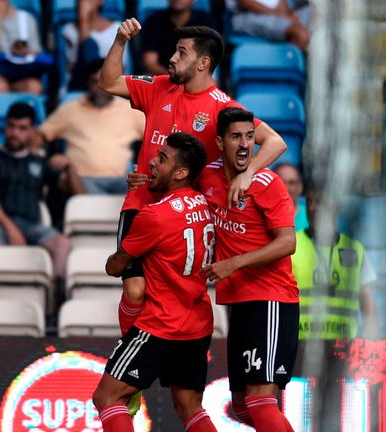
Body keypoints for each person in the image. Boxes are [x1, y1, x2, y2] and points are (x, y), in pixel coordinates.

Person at [98, 22, 286, 338]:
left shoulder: (223, 108)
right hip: (141, 202)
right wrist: (120, 40)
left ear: (203, 63)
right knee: (134, 291)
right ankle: (126, 358)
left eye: (181, 53)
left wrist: (247, 174)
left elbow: (275, 142)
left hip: (185, 218)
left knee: (176, 299)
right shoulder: (158, 87)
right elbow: (107, 83)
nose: (171, 58)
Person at [92, 132, 217, 432]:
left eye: (162, 159)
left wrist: (115, 258)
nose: (152, 161)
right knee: (189, 406)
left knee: (107, 397)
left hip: (161, 325)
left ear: (181, 173)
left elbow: (116, 266)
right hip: (198, 324)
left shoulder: (155, 216)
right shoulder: (207, 204)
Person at [198, 107, 298, 431]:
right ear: (220, 141)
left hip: (271, 299)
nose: (244, 144)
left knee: (259, 400)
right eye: (236, 137)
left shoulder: (268, 183)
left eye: (250, 137)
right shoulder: (208, 176)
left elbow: (287, 243)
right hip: (239, 301)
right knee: (242, 407)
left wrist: (235, 263)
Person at [292, 179, 378, 431]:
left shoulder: (355, 250)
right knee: (304, 420)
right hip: (301, 348)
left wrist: (373, 346)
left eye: (323, 202)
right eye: (311, 202)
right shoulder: (291, 246)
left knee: (337, 420)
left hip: (344, 351)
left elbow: (369, 307)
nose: (316, 207)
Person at [0, 102, 79, 281]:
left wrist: (70, 167)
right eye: (11, 126)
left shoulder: (40, 162)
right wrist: (11, 229)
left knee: (62, 244)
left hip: (32, 225)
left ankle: (52, 303)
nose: (15, 133)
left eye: (22, 128)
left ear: (32, 131)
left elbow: (78, 194)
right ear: (5, 127)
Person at [36, 59, 144, 194]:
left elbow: (156, 136)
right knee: (65, 181)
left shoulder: (130, 110)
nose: (101, 88)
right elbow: (39, 136)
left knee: (144, 188)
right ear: (87, 83)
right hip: (83, 179)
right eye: (95, 82)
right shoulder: (70, 109)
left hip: (121, 180)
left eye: (106, 82)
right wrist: (44, 158)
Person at [62, 0, 127, 91]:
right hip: (79, 87)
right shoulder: (68, 31)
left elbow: (121, 68)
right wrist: (83, 21)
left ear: (101, 1)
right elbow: (70, 67)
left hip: (110, 87)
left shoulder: (118, 28)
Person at [140, 0, 217, 76]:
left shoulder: (205, 21)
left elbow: (207, 58)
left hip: (195, 75)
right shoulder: (153, 21)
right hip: (161, 76)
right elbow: (150, 62)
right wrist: (175, 78)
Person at [0, 0, 51, 93]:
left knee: (34, 87)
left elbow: (36, 54)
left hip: (21, 73)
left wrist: (23, 52)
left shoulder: (27, 19)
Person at [226, 0, 310, 51]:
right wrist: (280, 15)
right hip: (246, 16)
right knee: (301, 35)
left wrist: (288, 16)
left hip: (274, 16)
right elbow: (245, 3)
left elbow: (282, 6)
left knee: (308, 13)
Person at [275, 162, 308, 231]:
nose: (286, 188)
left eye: (291, 183)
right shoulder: (261, 217)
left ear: (300, 187)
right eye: (281, 182)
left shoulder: (311, 216)